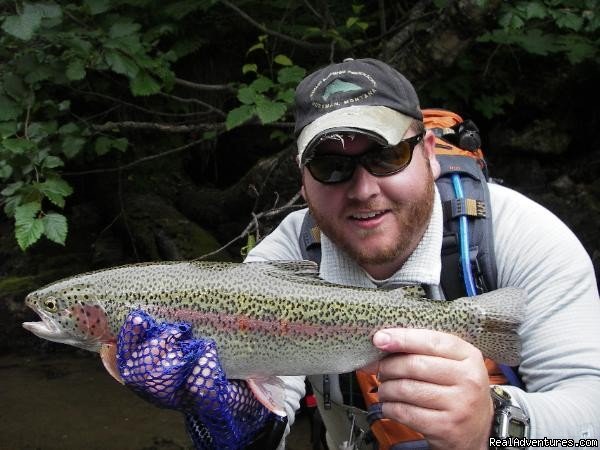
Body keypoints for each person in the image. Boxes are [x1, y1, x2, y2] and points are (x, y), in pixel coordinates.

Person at [117, 58, 600, 450]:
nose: (364, 189)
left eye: (386, 155)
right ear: (302, 177)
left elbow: (591, 426)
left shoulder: (523, 239)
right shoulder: (282, 259)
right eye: (331, 166)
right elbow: (271, 419)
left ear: (429, 152)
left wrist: (493, 428)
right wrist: (226, 413)